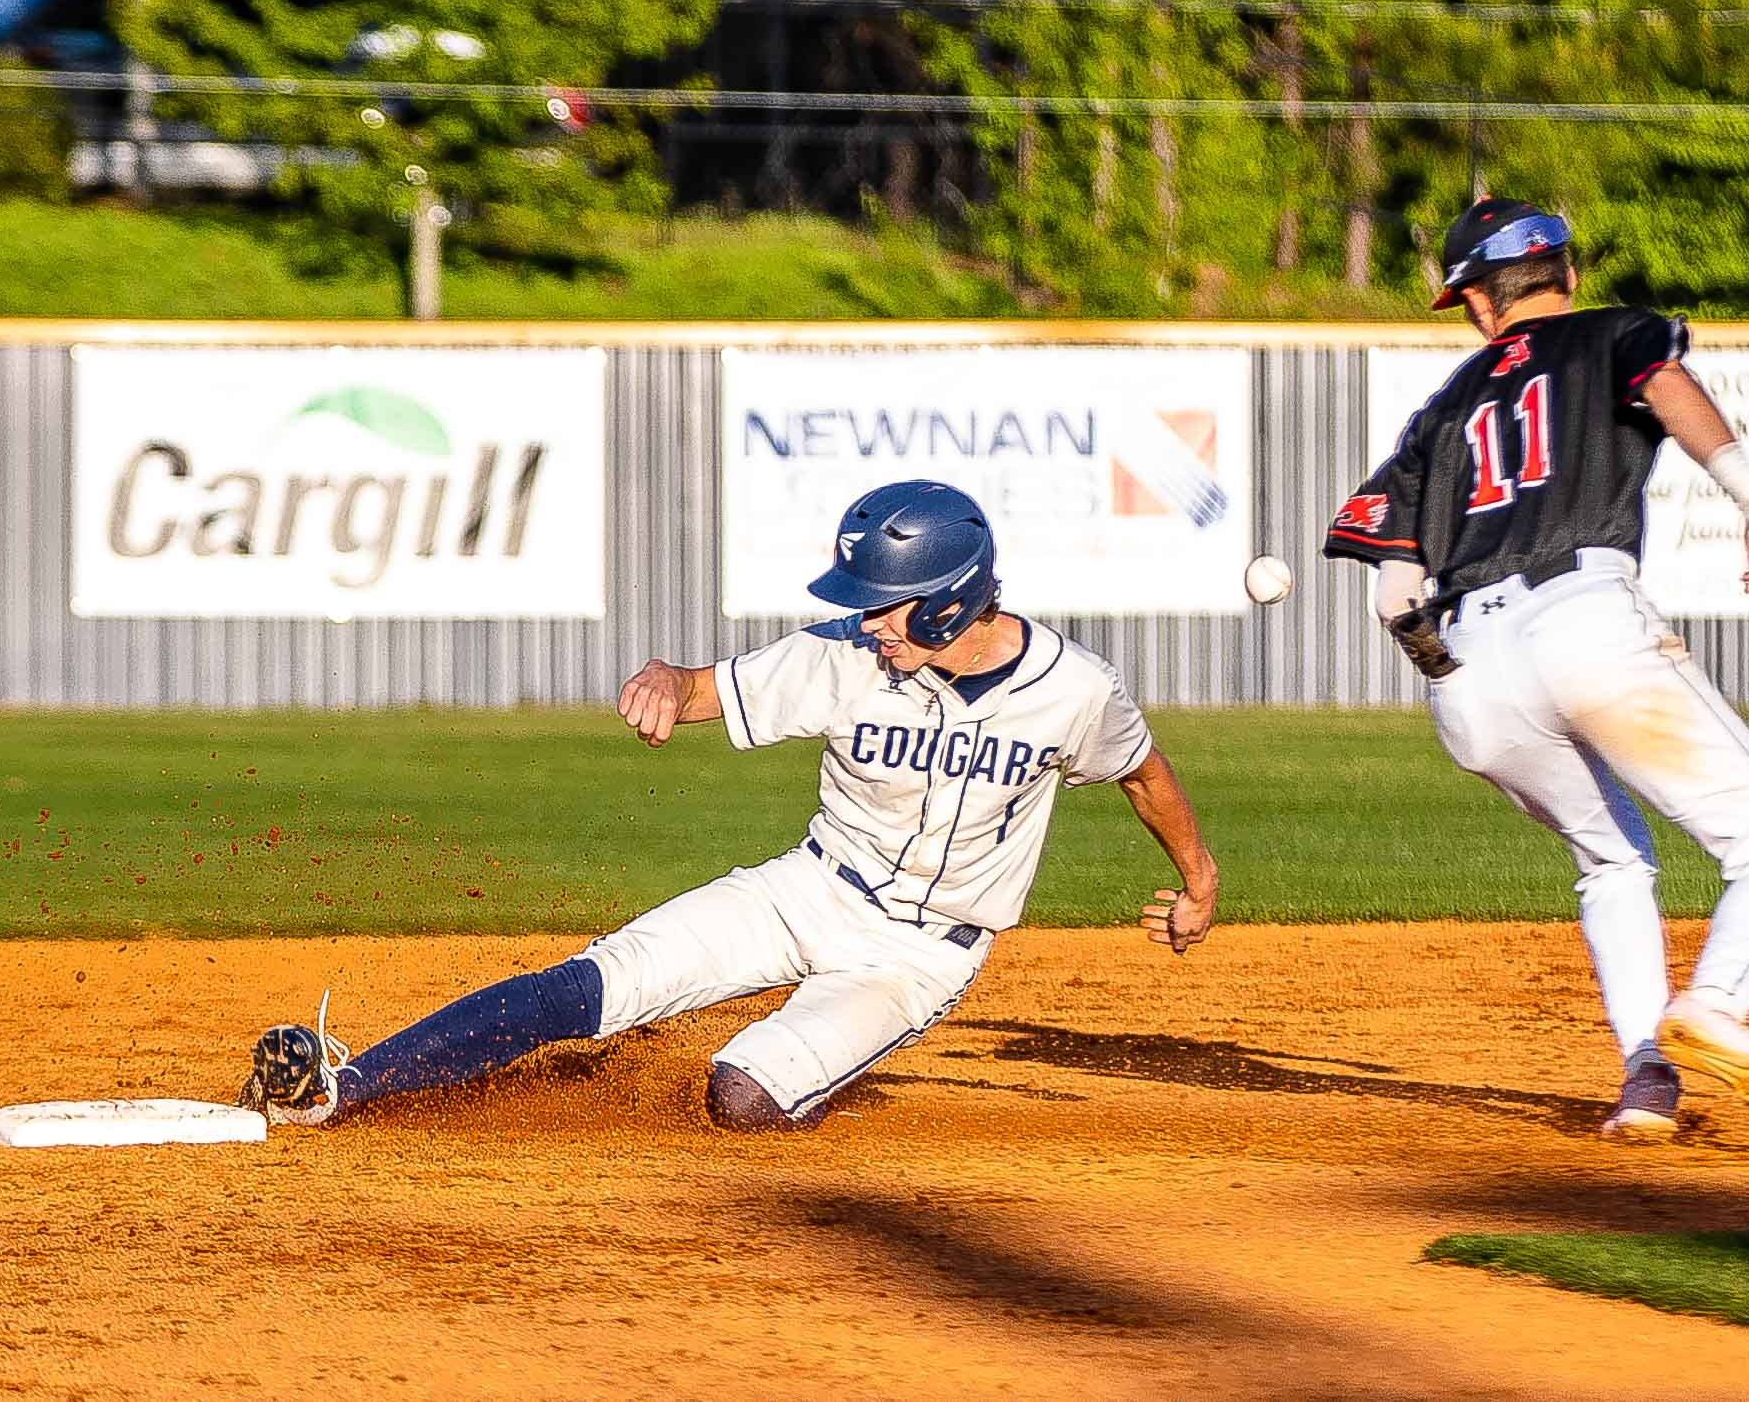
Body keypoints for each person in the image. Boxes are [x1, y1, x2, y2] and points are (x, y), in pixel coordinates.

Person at [237, 479, 1220, 1132]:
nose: (869, 621)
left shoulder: (1074, 688)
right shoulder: (840, 652)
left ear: (948, 603)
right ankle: (347, 1082)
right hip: (805, 888)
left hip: (922, 953)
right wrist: (667, 679)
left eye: (887, 604)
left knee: (740, 1096)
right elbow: (705, 684)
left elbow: (1140, 770)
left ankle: (818, 1059)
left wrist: (1197, 879)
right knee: (593, 982)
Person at [1322, 198, 1749, 1140]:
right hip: (1583, 619)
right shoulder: (1612, 333)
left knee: (1609, 859)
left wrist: (1440, 659)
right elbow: (1666, 387)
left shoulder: (1441, 409)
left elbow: (1391, 594)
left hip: (1467, 670)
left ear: (1475, 302)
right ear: (1566, 271)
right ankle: (1712, 1004)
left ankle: (1645, 1081)